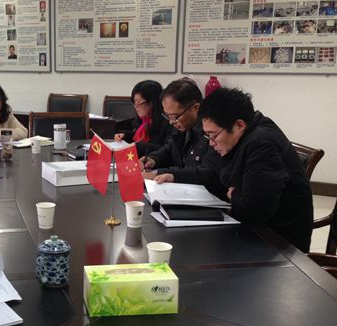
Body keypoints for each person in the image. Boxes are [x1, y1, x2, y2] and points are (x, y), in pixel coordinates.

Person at [200, 87, 313, 252]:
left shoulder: (262, 144)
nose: (211, 143)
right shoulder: (246, 134)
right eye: (208, 136)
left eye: (214, 135)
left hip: (279, 243)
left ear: (239, 125)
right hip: (259, 229)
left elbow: (255, 209)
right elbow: (221, 175)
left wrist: (234, 194)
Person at [141, 78, 223, 192]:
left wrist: (167, 174)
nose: (171, 122)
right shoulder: (182, 125)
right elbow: (170, 149)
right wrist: (154, 159)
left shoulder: (212, 132)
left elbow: (209, 172)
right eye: (167, 116)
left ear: (195, 108)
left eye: (174, 116)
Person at [114, 80, 174, 157]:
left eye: (139, 103)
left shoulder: (168, 121)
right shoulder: (144, 119)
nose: (136, 107)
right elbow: (136, 135)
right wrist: (124, 136)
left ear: (152, 102)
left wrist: (139, 146)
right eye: (134, 103)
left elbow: (168, 150)